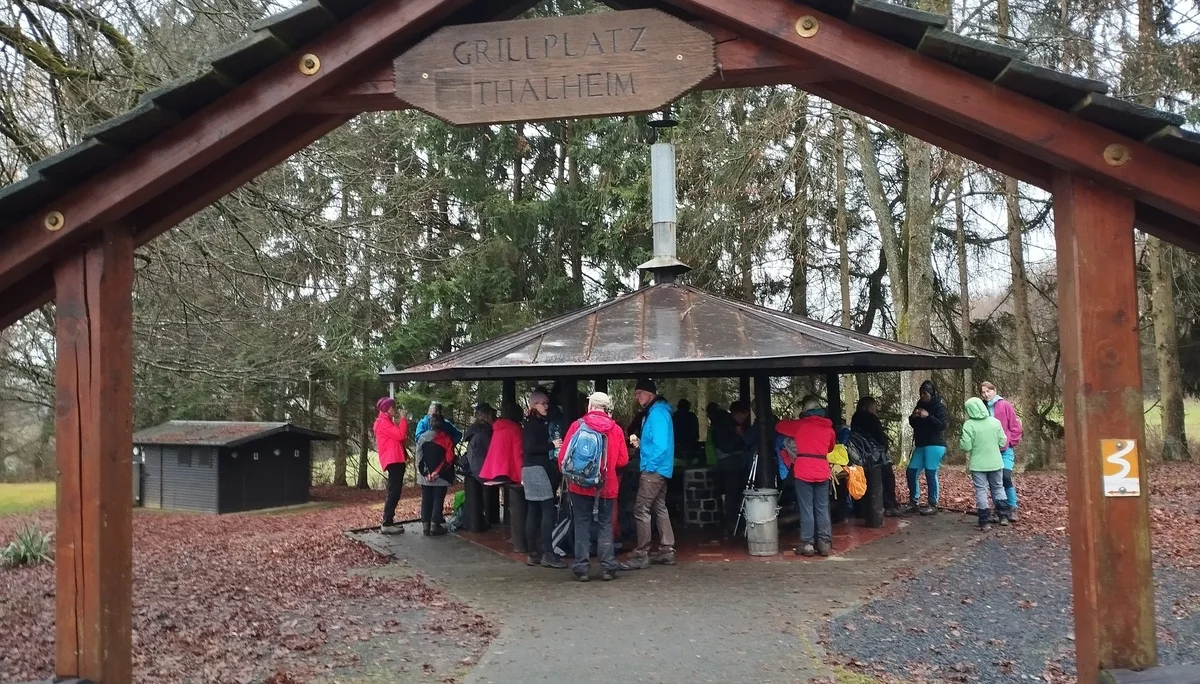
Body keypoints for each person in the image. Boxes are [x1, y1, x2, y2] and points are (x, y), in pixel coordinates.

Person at [558, 391, 630, 582]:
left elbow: (562, 459)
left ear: (590, 406)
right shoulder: (615, 430)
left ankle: (582, 568)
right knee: (605, 524)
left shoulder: (577, 426)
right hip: (606, 486)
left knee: (581, 523)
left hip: (580, 486)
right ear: (607, 409)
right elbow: (623, 460)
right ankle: (607, 568)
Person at [619, 379, 676, 570]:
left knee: (641, 509)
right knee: (659, 508)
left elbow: (660, 445)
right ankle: (667, 551)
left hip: (654, 470)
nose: (636, 397)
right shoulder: (657, 412)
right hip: (661, 468)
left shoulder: (657, 414)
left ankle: (641, 553)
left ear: (649, 394)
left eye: (639, 393)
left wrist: (649, 466)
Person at [776, 395, 836, 557]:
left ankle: (808, 544)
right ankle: (824, 543)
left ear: (805, 413)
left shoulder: (800, 426)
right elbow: (830, 448)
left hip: (803, 471)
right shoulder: (828, 428)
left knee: (807, 508)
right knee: (822, 507)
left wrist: (792, 419)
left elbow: (780, 426)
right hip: (822, 469)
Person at [522, 388, 566, 569]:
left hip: (529, 469)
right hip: (537, 469)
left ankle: (533, 553)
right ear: (535, 404)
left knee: (533, 510)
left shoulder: (531, 422)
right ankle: (548, 552)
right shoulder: (534, 424)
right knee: (547, 509)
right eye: (543, 403)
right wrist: (552, 445)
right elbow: (530, 447)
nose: (546, 406)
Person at [961, 396, 1011, 531]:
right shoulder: (995, 422)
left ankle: (984, 521)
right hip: (995, 461)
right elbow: (1002, 441)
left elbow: (966, 446)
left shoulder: (968, 425)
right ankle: (1004, 516)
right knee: (998, 488)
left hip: (978, 464)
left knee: (981, 491)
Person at [980, 381, 1023, 522]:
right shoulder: (982, 407)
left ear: (994, 390)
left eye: (988, 391)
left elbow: (1015, 426)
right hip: (990, 450)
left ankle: (1012, 507)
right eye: (983, 392)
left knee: (1005, 476)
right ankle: (999, 509)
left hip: (1005, 449)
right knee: (994, 480)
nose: (986, 394)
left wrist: (1011, 442)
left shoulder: (1004, 405)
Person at [851, 397, 900, 516]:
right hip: (875, 454)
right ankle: (889, 504)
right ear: (868, 407)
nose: (875, 409)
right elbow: (880, 438)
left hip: (860, 454)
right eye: (873, 406)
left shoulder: (855, 419)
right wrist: (884, 446)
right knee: (887, 476)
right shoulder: (871, 419)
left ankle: (863, 508)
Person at [906, 380, 948, 515]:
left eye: (925, 393)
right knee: (911, 471)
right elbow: (914, 424)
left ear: (931, 393)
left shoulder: (939, 407)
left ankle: (932, 503)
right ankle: (914, 501)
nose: (922, 396)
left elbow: (942, 425)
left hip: (935, 443)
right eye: (921, 393)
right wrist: (913, 417)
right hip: (920, 443)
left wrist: (928, 416)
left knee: (930, 472)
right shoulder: (919, 405)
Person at [710, 400, 751, 535]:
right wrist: (739, 437)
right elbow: (727, 445)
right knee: (733, 495)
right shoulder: (728, 425)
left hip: (728, 464)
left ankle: (733, 524)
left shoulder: (721, 423)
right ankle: (733, 524)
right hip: (732, 464)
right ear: (739, 413)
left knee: (731, 494)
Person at [374, 397, 409, 535]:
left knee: (395, 490)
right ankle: (387, 522)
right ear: (387, 409)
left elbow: (400, 436)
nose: (395, 409)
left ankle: (389, 521)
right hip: (393, 460)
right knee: (393, 491)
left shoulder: (387, 422)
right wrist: (404, 419)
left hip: (396, 459)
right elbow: (400, 435)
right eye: (393, 407)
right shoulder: (383, 423)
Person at [416, 414, 455, 536]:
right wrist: (437, 473)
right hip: (441, 476)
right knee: (438, 499)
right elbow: (449, 459)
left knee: (426, 499)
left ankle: (425, 525)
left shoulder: (422, 438)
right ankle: (435, 525)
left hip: (425, 477)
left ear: (430, 424)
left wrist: (426, 473)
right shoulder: (447, 439)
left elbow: (419, 458)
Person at [462, 403, 496, 532]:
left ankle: (475, 521)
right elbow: (491, 449)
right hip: (481, 467)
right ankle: (484, 520)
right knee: (485, 492)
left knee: (476, 496)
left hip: (472, 465)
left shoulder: (474, 429)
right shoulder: (485, 431)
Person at [479, 403, 523, 485]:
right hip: (507, 471)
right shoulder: (515, 429)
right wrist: (522, 476)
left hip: (492, 471)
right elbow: (518, 454)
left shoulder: (498, 427)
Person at [673, 398, 700, 462]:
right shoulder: (692, 416)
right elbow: (696, 432)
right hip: (691, 445)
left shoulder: (674, 416)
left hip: (677, 446)